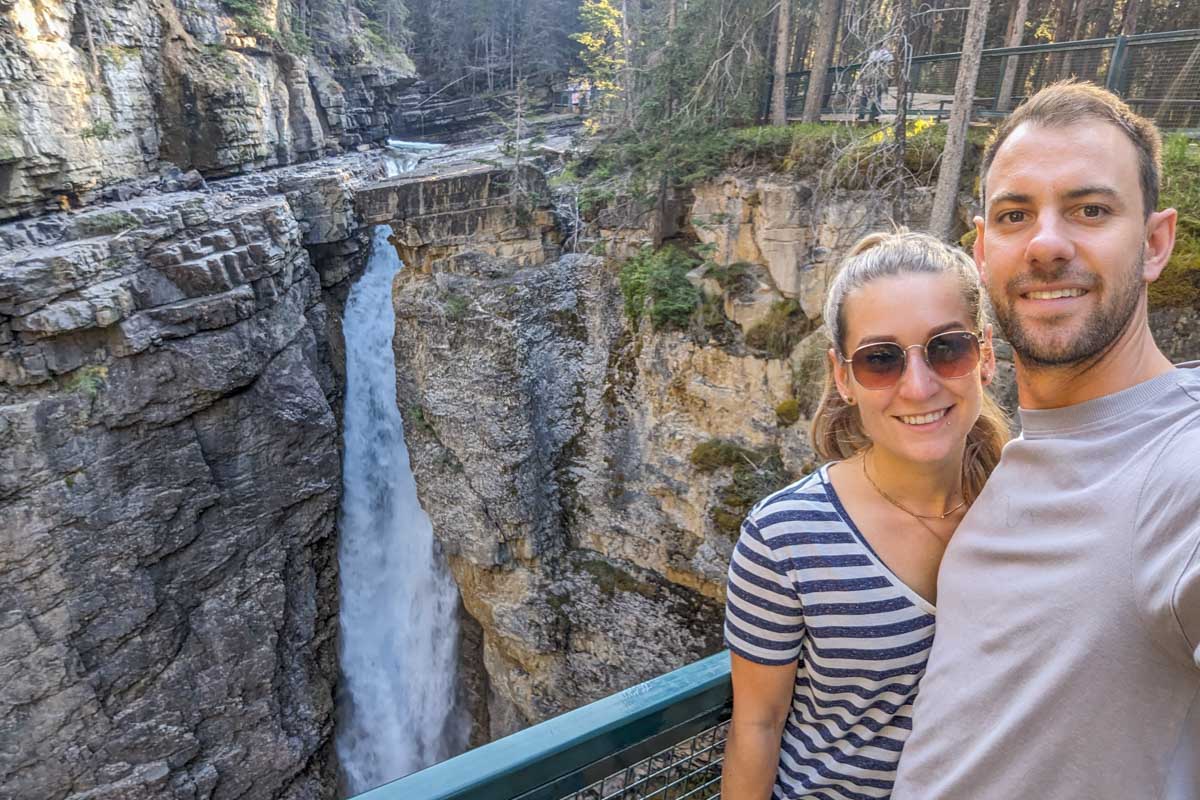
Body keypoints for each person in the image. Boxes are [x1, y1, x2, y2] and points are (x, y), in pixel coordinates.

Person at [891, 81, 1200, 799]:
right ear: (981, 250)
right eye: (1015, 215)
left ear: (1155, 243)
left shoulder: (1179, 465)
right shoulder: (1015, 459)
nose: (1048, 243)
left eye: (1091, 210)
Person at [721, 229, 1009, 799]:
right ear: (843, 377)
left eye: (948, 347)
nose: (919, 385)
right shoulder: (784, 538)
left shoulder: (1029, 503)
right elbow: (757, 726)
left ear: (986, 357)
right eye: (880, 360)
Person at [857, 46, 893, 123]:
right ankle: (874, 115)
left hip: (873, 76)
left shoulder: (874, 53)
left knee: (866, 95)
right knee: (875, 96)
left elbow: (869, 64)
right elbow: (889, 65)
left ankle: (863, 115)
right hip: (876, 77)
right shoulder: (887, 54)